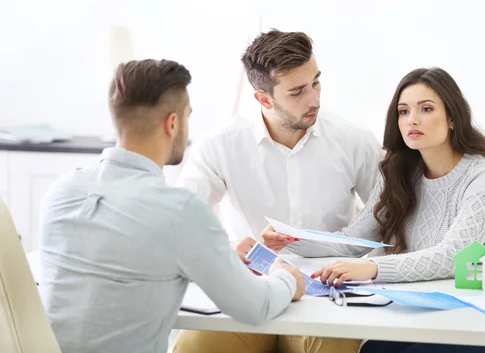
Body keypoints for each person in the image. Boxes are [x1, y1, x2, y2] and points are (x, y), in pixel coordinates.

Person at [38, 59, 305, 353]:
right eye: (188, 117)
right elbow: (256, 307)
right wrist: (286, 278)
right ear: (173, 123)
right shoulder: (180, 211)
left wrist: (216, 253)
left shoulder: (61, 192)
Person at [264, 67, 485, 353]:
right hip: (435, 307)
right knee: (372, 350)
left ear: (453, 118)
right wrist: (289, 240)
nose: (412, 120)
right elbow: (352, 242)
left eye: (426, 109)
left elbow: (451, 257)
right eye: (403, 111)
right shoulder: (397, 172)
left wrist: (371, 268)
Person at [173, 30, 381, 352]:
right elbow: (182, 223)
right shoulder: (220, 145)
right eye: (297, 92)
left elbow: (390, 218)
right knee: (195, 344)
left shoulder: (355, 141)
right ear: (263, 98)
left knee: (330, 347)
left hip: (326, 298)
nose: (314, 99)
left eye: (316, 83)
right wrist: (229, 247)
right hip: (249, 293)